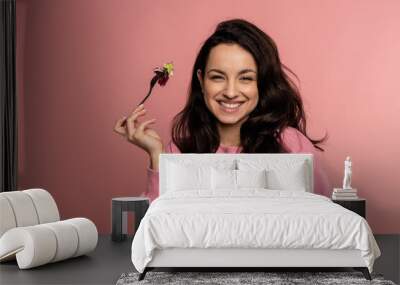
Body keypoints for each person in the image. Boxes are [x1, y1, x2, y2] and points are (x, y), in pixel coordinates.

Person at [114, 18, 331, 202]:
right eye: (218, 77)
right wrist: (156, 155)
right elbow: (156, 227)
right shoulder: (178, 151)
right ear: (201, 80)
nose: (230, 92)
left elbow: (324, 217)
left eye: (245, 78)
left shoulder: (291, 144)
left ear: (262, 83)